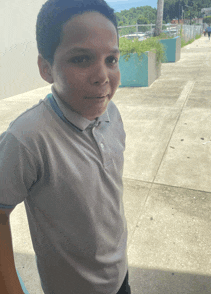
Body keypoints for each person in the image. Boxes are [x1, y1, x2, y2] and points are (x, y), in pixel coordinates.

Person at [0, 0, 131, 293]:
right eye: (82, 59)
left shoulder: (112, 115)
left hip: (119, 277)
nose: (102, 76)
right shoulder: (28, 138)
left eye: (111, 59)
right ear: (46, 68)